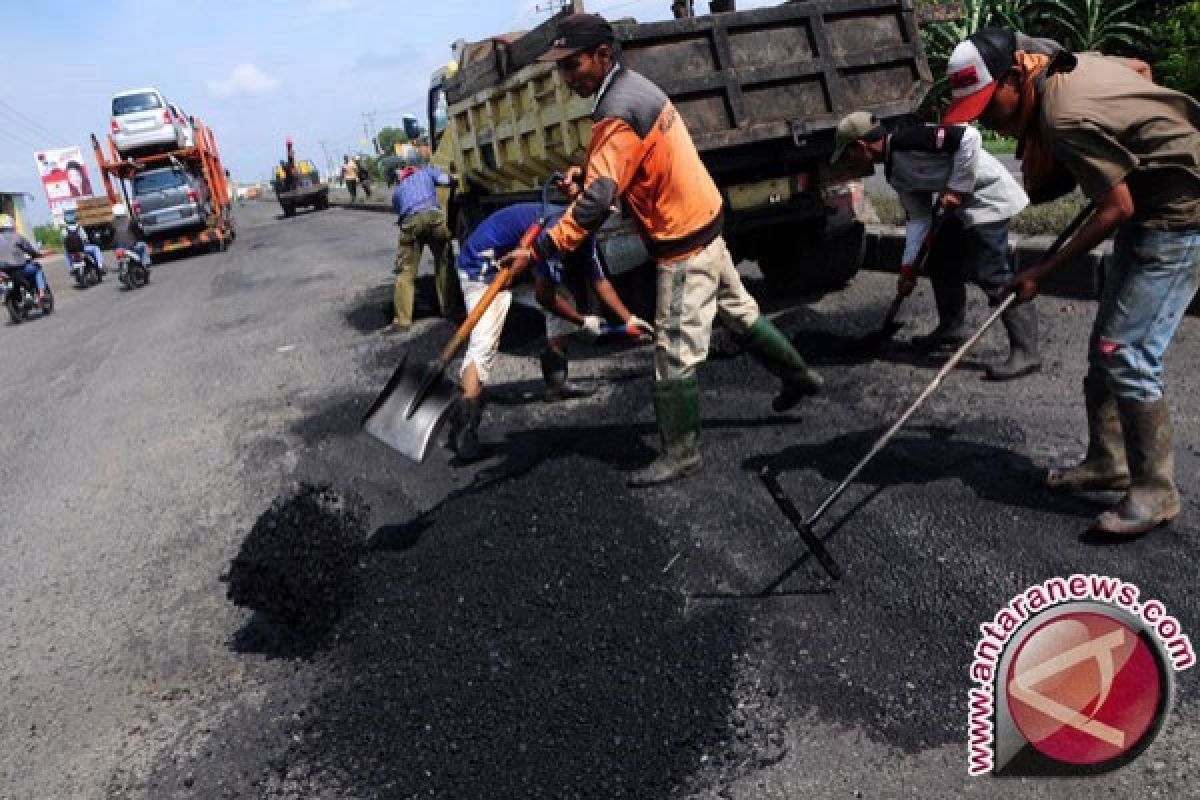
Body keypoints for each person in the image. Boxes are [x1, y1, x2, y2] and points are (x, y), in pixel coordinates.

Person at [498, 12, 822, 487]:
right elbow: (625, 168)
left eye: (572, 65)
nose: (565, 78)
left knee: (672, 352)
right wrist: (585, 178)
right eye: (561, 69)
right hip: (705, 221)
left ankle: (681, 453)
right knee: (740, 312)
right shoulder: (634, 88)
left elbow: (596, 204)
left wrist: (543, 248)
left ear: (602, 56)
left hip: (682, 244)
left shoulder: (616, 112)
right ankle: (799, 377)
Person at [942, 28, 1200, 535]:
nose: (989, 119)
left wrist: (1040, 272)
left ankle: (1156, 492)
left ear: (1016, 76)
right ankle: (1109, 461)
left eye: (989, 105)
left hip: (1181, 214)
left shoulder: (1061, 116)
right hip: (1151, 205)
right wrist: (1132, 146)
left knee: (1128, 353)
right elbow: (1142, 71)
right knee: (1105, 348)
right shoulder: (1066, 66)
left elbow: (1115, 208)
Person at [830, 110, 1037, 379]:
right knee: (940, 260)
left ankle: (1027, 352)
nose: (848, 164)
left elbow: (970, 137)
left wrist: (956, 187)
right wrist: (907, 271)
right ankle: (952, 329)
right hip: (958, 207)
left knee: (992, 274)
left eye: (848, 156)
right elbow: (918, 220)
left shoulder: (910, 139)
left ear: (861, 146)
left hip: (988, 198)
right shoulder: (894, 172)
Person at [450, 201, 653, 460]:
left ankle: (556, 383)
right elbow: (544, 296)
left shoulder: (582, 230)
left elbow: (599, 281)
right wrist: (583, 322)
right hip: (482, 268)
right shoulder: (556, 232)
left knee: (563, 300)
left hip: (513, 260)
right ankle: (464, 426)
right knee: (483, 344)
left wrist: (629, 319)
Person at [388, 161, 463, 330]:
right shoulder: (427, 172)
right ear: (416, 170)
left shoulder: (398, 191)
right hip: (434, 218)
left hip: (410, 222)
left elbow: (399, 212)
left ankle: (402, 321)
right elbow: (447, 180)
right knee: (444, 263)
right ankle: (449, 309)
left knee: (405, 272)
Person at [0, 214, 49, 302]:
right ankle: (41, 294)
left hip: (4, 271)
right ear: (11, 223)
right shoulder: (17, 236)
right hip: (19, 268)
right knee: (37, 268)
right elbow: (29, 249)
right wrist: (36, 254)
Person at [62, 209, 106, 279]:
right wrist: (86, 242)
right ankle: (100, 266)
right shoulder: (79, 227)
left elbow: (63, 241)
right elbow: (85, 239)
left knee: (66, 254)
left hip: (70, 251)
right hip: (82, 249)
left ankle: (71, 268)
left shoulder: (64, 229)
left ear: (65, 218)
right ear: (75, 217)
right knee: (96, 248)